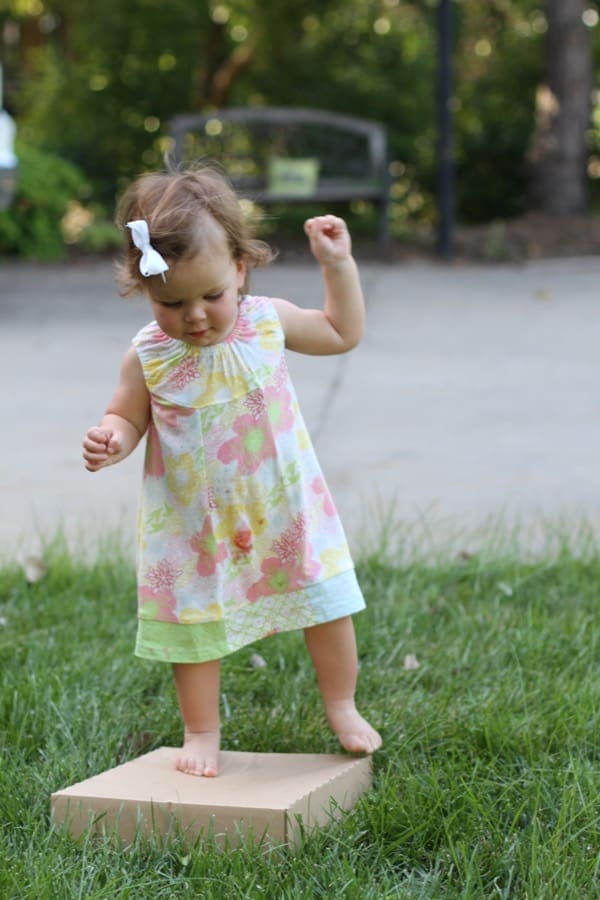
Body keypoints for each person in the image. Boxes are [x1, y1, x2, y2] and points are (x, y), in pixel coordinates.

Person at [82, 166, 381, 777]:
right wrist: (113, 437)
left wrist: (337, 267)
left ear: (241, 268)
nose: (194, 316)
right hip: (194, 526)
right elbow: (127, 415)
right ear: (145, 292)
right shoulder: (148, 355)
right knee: (194, 629)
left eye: (211, 295)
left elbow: (341, 332)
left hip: (284, 509)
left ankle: (343, 704)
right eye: (172, 301)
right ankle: (201, 731)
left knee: (325, 605)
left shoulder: (267, 323)